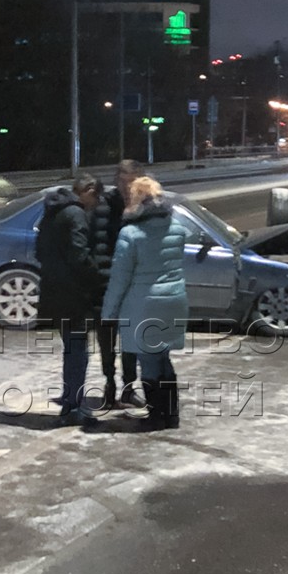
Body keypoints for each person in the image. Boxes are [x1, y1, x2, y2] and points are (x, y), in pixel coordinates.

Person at [100, 176, 188, 431]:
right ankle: (171, 415)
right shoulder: (176, 227)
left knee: (148, 361)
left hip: (145, 305)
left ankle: (156, 416)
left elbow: (119, 279)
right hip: (174, 301)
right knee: (163, 358)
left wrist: (108, 313)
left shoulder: (130, 234)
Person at [35, 176, 104, 427]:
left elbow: (39, 252)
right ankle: (73, 408)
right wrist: (96, 275)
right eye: (95, 199)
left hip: (53, 292)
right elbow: (79, 254)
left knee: (71, 349)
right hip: (74, 295)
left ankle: (70, 402)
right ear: (89, 191)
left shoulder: (51, 213)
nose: (94, 205)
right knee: (77, 353)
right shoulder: (76, 214)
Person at [92, 160, 144, 409]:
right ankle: (109, 384)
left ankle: (128, 387)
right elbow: (97, 243)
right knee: (107, 339)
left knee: (131, 340)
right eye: (122, 181)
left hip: (133, 285)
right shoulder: (104, 205)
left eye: (131, 181)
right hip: (106, 283)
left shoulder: (142, 208)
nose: (126, 186)